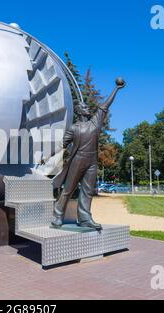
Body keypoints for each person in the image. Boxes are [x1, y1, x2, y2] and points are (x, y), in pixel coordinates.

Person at [52, 78, 126, 230]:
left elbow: (105, 105)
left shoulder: (95, 123)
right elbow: (62, 145)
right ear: (79, 111)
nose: (87, 108)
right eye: (84, 107)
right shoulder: (74, 128)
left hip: (92, 162)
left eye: (87, 106)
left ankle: (85, 218)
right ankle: (58, 215)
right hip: (77, 161)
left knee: (87, 191)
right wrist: (48, 155)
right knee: (68, 190)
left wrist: (116, 89)